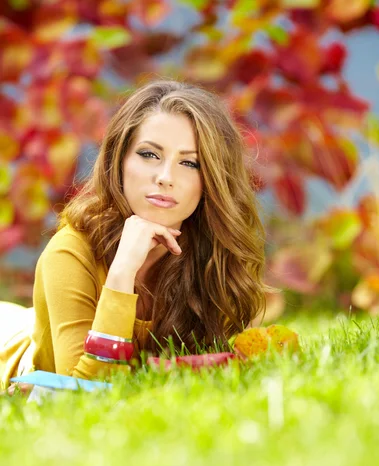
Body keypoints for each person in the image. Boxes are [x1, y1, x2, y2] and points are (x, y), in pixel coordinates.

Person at [0, 78, 269, 393]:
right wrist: (122, 273)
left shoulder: (212, 252)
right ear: (120, 160)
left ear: (211, 178)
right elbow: (83, 393)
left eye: (189, 162)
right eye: (149, 155)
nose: (165, 177)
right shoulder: (70, 251)